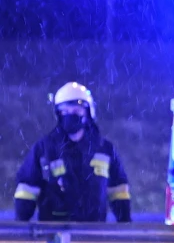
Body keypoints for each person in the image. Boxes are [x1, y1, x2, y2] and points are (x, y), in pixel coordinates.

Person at [14, 82, 131, 223]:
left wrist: (125, 221)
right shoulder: (45, 149)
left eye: (76, 111)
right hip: (54, 231)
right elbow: (27, 189)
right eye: (65, 112)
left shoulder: (105, 149)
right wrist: (21, 223)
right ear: (58, 114)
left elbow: (118, 190)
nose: (70, 116)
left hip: (95, 233)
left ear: (88, 113)